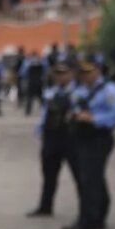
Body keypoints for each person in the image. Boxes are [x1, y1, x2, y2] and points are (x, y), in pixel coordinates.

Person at [63, 59, 115, 229]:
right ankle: (98, 217)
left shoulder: (109, 89)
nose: (84, 76)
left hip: (98, 137)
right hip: (83, 137)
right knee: (95, 178)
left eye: (88, 72)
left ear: (98, 71)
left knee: (89, 180)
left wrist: (94, 118)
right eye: (82, 73)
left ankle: (87, 222)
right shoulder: (83, 89)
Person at [27, 63, 79, 218]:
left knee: (80, 176)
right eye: (58, 74)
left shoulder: (79, 92)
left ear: (71, 74)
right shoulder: (50, 92)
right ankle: (45, 207)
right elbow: (45, 114)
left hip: (71, 139)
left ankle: (88, 212)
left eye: (64, 73)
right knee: (48, 175)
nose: (61, 77)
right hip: (51, 139)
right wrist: (40, 130)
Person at [21, 51, 47, 117]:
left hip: (31, 81)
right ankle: (45, 110)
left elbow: (23, 72)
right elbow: (46, 71)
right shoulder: (42, 62)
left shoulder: (28, 62)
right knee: (40, 97)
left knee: (30, 97)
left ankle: (28, 111)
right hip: (39, 81)